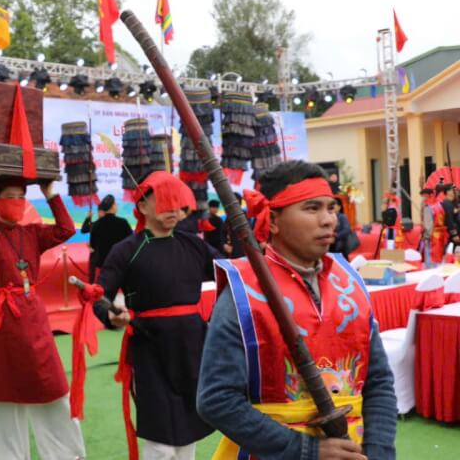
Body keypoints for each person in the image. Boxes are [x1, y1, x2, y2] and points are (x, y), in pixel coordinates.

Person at [197, 160, 397, 459]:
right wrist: (304, 450)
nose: (329, 220)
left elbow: (378, 380)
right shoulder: (244, 293)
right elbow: (216, 399)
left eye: (331, 208)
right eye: (312, 208)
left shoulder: (350, 282)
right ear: (273, 220)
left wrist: (379, 451)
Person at [0, 160, 86, 460]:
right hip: (2, 321)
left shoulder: (32, 233)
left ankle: (65, 453)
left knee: (52, 385)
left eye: (21, 196)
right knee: (5, 393)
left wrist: (49, 194)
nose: (17, 202)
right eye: (9, 196)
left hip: (32, 318)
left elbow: (65, 228)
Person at [92, 171, 214, 460]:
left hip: (193, 346)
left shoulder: (194, 245)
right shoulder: (126, 250)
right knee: (160, 437)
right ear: (142, 206)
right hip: (149, 348)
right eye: (165, 202)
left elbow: (232, 275)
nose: (174, 210)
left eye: (178, 204)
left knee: (189, 427)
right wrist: (112, 315)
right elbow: (99, 295)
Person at [86, 194, 133, 282]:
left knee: (104, 291)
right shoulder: (123, 223)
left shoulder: (96, 225)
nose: (117, 206)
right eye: (116, 204)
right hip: (120, 263)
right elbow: (131, 242)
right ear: (113, 207)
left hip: (102, 263)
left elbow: (93, 245)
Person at [420, 188, 436, 267]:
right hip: (435, 232)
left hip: (429, 233)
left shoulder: (427, 206)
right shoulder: (434, 204)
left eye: (423, 196)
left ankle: (430, 267)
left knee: (428, 252)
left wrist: (427, 234)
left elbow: (428, 222)